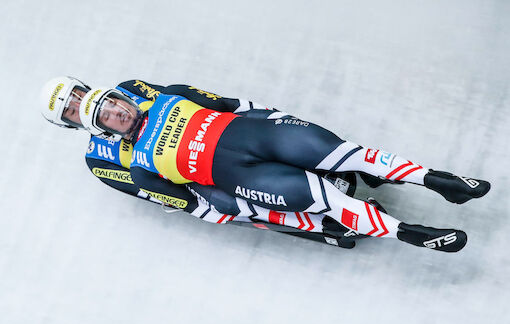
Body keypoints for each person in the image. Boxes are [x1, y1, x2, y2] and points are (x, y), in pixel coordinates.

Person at [75, 79, 491, 253]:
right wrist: (234, 210)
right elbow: (187, 202)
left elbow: (229, 104)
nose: (117, 111)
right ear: (102, 130)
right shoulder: (142, 166)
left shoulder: (168, 95)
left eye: (114, 101)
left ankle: (438, 179)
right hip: (246, 179)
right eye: (106, 115)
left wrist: (274, 116)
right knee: (323, 197)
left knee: (349, 153)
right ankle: (412, 234)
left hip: (260, 137)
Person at [40, 77, 363, 249]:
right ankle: (322, 223)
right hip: (193, 174)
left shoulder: (127, 89)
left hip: (215, 132)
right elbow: (155, 192)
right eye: (71, 110)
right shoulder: (98, 158)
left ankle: (342, 157)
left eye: (78, 95)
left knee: (254, 120)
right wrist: (198, 201)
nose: (80, 105)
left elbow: (196, 99)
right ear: (70, 124)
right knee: (221, 202)